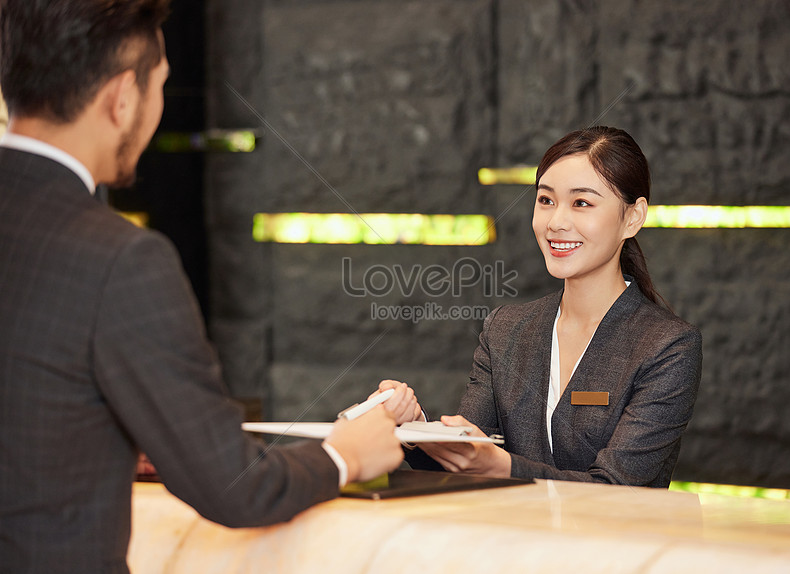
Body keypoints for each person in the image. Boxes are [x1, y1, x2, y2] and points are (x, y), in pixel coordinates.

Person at [0, 1, 407, 572]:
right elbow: (232, 486)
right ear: (122, 98)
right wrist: (344, 455)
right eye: (160, 86)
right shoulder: (120, 259)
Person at [376, 126, 702, 487]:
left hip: (613, 544)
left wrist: (501, 466)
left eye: (581, 203)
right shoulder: (505, 329)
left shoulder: (667, 346)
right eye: (546, 200)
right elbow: (466, 464)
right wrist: (412, 425)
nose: (556, 222)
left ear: (632, 217)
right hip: (511, 542)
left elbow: (615, 488)